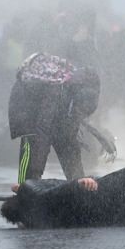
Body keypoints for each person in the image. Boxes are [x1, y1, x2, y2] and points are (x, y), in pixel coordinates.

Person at [9, 52, 100, 182]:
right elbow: (42, 132)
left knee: (66, 137)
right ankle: (25, 186)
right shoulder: (56, 91)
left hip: (52, 110)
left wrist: (79, 179)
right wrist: (33, 178)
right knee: (33, 143)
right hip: (28, 111)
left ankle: (76, 183)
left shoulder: (80, 93)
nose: (80, 113)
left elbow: (69, 139)